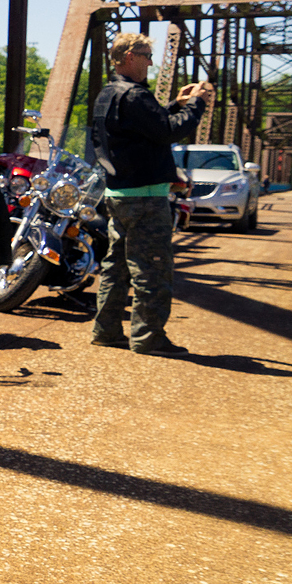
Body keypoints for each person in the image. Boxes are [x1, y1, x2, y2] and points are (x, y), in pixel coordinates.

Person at [89, 31, 212, 355]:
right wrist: (197, 104)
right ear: (130, 56)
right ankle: (149, 337)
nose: (151, 62)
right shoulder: (135, 95)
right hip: (146, 195)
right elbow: (169, 130)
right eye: (146, 56)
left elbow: (146, 125)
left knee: (115, 268)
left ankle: (106, 330)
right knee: (151, 268)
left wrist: (176, 104)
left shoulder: (109, 94)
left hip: (119, 194)